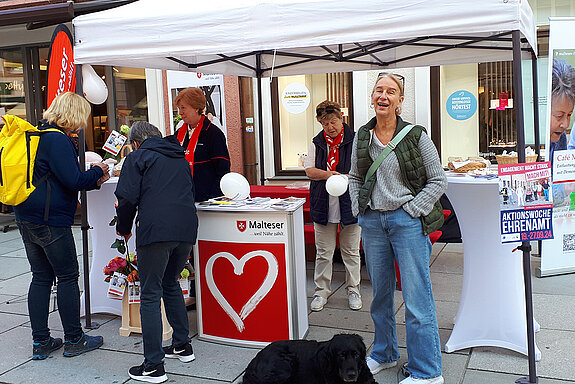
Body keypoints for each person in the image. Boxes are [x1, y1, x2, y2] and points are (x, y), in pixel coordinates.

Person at [348, 73, 447, 384]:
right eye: (379, 90)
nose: (384, 95)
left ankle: (427, 371)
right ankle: (384, 353)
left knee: (417, 300)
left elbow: (438, 179)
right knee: (380, 297)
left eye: (391, 91)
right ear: (373, 97)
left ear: (400, 101)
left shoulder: (417, 136)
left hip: (407, 223)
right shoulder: (363, 137)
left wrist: (413, 210)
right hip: (374, 223)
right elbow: (353, 177)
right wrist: (358, 209)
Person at [13, 92, 108, 360]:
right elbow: (74, 180)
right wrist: (99, 171)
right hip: (50, 219)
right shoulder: (57, 138)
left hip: (26, 214)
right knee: (67, 276)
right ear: (75, 114)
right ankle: (74, 339)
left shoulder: (37, 134)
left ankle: (41, 342)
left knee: (41, 277)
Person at [115, 121, 198, 384]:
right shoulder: (179, 157)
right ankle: (182, 346)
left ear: (136, 142)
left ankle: (153, 365)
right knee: (170, 283)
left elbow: (126, 198)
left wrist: (123, 228)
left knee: (150, 294)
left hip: (155, 230)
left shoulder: (138, 157)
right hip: (185, 229)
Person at [304, 100, 362, 312]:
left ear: (341, 119)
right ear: (320, 122)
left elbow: (363, 168)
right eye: (325, 122)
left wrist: (346, 178)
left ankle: (353, 289)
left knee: (351, 251)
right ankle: (321, 291)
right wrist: (329, 175)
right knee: (324, 252)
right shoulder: (317, 142)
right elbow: (309, 170)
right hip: (323, 204)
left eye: (334, 120)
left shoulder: (355, 140)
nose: (331, 125)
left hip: (350, 203)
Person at [173, 87, 231, 202]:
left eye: (183, 108)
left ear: (196, 108)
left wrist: (213, 197)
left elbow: (223, 169)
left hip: (207, 200)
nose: (180, 113)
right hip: (182, 198)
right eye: (179, 108)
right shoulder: (179, 134)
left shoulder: (213, 133)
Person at [549, 58, 575, 204]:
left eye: (569, 115)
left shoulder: (561, 138)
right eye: (559, 116)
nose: (565, 124)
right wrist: (564, 188)